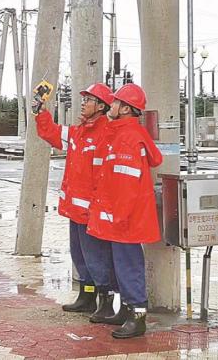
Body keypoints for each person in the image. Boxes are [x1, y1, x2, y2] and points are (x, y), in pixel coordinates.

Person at [86, 83, 163, 339]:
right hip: (118, 217)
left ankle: (137, 316)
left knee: (129, 266)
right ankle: (126, 310)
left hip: (125, 219)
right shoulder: (121, 132)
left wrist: (119, 216)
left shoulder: (129, 138)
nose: (111, 105)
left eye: (116, 103)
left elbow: (127, 182)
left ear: (126, 108)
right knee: (120, 265)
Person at [34, 82, 114, 314]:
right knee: (79, 255)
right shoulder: (79, 132)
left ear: (101, 106)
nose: (83, 104)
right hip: (75, 210)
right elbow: (52, 133)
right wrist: (41, 112)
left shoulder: (106, 133)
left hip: (93, 212)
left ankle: (106, 302)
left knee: (96, 257)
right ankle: (87, 296)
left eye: (88, 100)